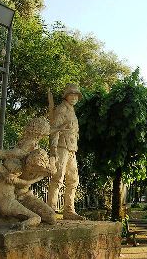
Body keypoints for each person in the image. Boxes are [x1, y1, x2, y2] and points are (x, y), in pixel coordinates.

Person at [47, 83, 84, 220]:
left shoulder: (72, 110)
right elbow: (54, 130)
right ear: (66, 96)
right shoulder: (62, 109)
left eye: (76, 95)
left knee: (73, 180)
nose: (74, 97)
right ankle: (50, 210)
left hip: (71, 149)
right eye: (72, 94)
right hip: (62, 147)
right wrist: (53, 150)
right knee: (57, 178)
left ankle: (69, 210)